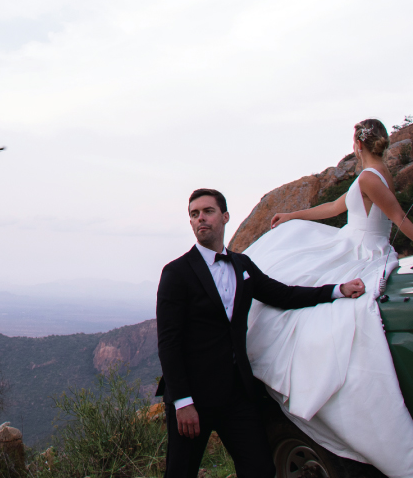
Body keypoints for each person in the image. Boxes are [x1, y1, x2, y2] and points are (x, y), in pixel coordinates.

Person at [244, 119, 413, 478]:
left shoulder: (369, 178)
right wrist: (293, 215)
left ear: (358, 143)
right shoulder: (376, 174)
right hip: (353, 240)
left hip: (361, 250)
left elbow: (399, 218)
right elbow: (334, 208)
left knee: (291, 282)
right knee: (290, 254)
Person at [156, 188, 367, 478]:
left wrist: (336, 290)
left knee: (260, 469)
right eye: (194, 214)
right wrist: (182, 401)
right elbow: (168, 342)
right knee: (181, 473)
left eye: (208, 211)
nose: (200, 219)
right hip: (193, 398)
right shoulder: (176, 272)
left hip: (236, 393)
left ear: (225, 216)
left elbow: (282, 295)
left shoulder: (241, 265)